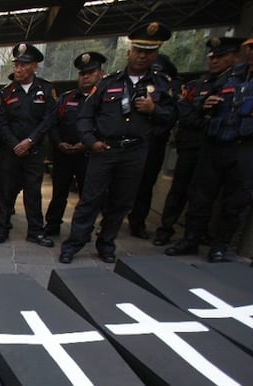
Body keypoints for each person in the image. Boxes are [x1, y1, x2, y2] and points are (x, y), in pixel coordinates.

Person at [166, 20, 253, 263]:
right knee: (200, 196)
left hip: (249, 147)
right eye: (252, 47)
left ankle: (220, 246)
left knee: (237, 200)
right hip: (215, 143)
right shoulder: (236, 72)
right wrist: (205, 104)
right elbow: (203, 99)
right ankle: (190, 239)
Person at [59, 22, 177, 264]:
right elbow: (85, 117)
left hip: (135, 151)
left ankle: (106, 243)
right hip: (105, 150)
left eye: (149, 52)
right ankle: (75, 243)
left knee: (122, 201)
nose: (142, 56)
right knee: (90, 199)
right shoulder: (107, 83)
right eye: (138, 50)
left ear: (156, 54)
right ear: (129, 52)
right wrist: (91, 142)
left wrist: (154, 109)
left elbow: (173, 116)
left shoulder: (162, 85)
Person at [153, 37, 243, 246]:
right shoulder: (197, 85)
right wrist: (203, 113)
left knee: (205, 194)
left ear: (235, 57)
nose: (214, 61)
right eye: (212, 57)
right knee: (179, 190)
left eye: (221, 56)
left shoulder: (239, 83)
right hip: (191, 146)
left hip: (217, 147)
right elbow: (184, 113)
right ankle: (166, 229)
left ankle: (195, 234)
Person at [0, 43, 57, 246]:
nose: (18, 69)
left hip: (34, 151)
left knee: (33, 193)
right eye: (16, 65)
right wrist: (15, 144)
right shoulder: (6, 93)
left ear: (34, 67)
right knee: (5, 192)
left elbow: (48, 120)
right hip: (10, 152)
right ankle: (2, 229)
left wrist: (29, 142)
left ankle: (36, 231)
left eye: (23, 65)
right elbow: (1, 122)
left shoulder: (46, 90)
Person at [43, 51, 106, 238]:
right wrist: (59, 143)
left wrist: (86, 144)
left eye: (90, 72)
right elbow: (52, 123)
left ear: (100, 74)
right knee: (59, 193)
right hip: (64, 153)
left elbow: (105, 127)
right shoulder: (66, 98)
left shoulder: (104, 100)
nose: (85, 76)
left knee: (87, 196)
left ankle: (82, 230)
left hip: (89, 155)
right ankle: (52, 225)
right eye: (82, 73)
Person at [127, 53, 180, 239]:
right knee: (120, 184)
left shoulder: (166, 86)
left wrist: (153, 110)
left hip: (153, 143)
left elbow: (172, 115)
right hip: (126, 143)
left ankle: (137, 222)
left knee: (145, 185)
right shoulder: (124, 82)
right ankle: (110, 221)